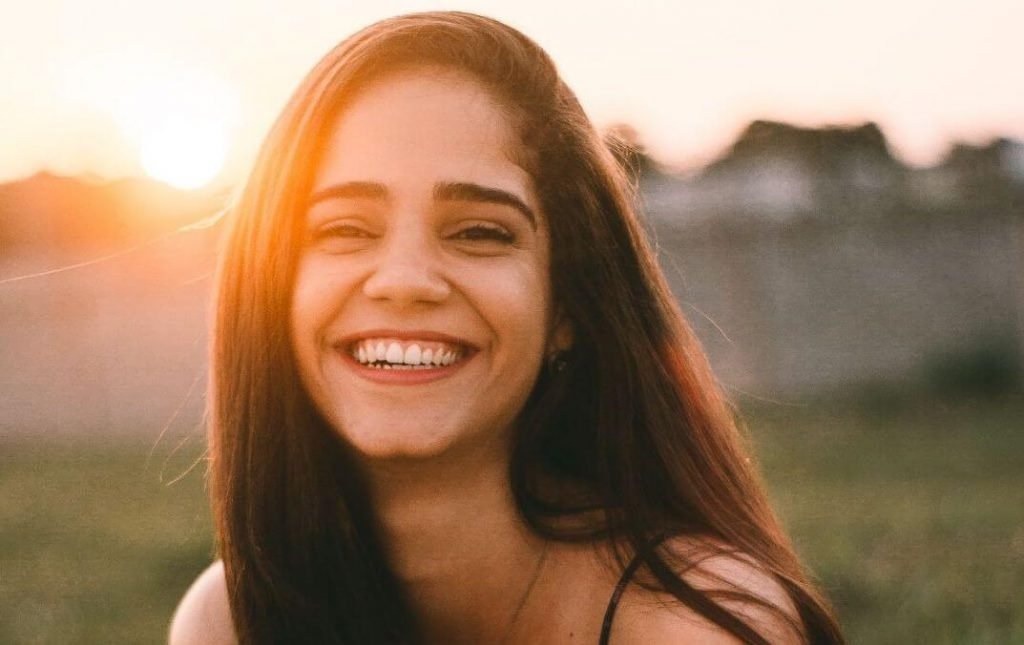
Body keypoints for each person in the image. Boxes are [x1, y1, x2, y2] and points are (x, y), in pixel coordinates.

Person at [170, 11, 843, 644]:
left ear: (567, 310)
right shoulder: (227, 619)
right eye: (345, 228)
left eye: (480, 232)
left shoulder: (692, 624)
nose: (404, 279)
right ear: (272, 288)